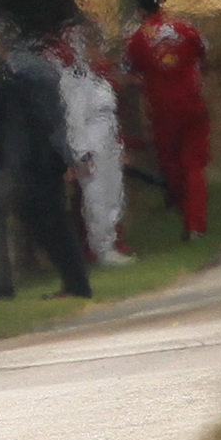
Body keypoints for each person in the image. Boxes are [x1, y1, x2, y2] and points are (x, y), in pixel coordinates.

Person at [0, 26, 92, 299]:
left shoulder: (19, 71)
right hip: (38, 157)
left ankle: (75, 283)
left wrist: (61, 154)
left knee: (49, 222)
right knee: (46, 221)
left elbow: (38, 119)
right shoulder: (30, 67)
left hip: (37, 159)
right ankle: (74, 282)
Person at [125, 0, 210, 240]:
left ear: (140, 12)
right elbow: (206, 56)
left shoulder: (138, 38)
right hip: (192, 103)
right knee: (194, 165)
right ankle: (195, 224)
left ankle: (183, 210)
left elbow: (129, 72)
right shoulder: (186, 28)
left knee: (171, 165)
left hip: (161, 109)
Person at [53, 22, 135, 266]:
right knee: (97, 197)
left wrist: (118, 145)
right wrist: (82, 154)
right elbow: (75, 120)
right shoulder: (74, 80)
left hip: (107, 142)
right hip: (92, 145)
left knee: (113, 193)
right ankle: (102, 247)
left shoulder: (94, 79)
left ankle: (110, 243)